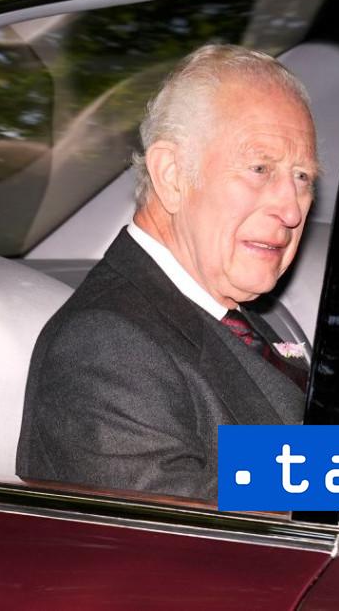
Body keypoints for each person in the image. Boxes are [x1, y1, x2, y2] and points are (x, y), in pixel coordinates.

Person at [16, 44, 318, 500]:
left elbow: (290, 466)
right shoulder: (104, 346)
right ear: (173, 175)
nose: (292, 209)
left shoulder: (237, 311)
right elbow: (196, 527)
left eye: (302, 178)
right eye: (260, 168)